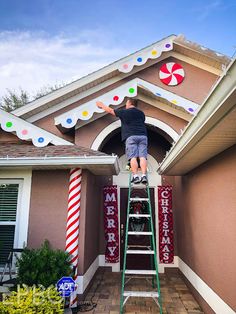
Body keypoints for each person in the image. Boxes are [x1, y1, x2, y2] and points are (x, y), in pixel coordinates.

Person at [96, 98, 148, 184]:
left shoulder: (125, 112)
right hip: (143, 136)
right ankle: (143, 175)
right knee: (142, 156)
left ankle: (135, 176)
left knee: (133, 157)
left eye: (126, 103)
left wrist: (101, 105)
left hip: (131, 136)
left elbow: (111, 111)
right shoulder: (141, 113)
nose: (126, 105)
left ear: (129, 103)